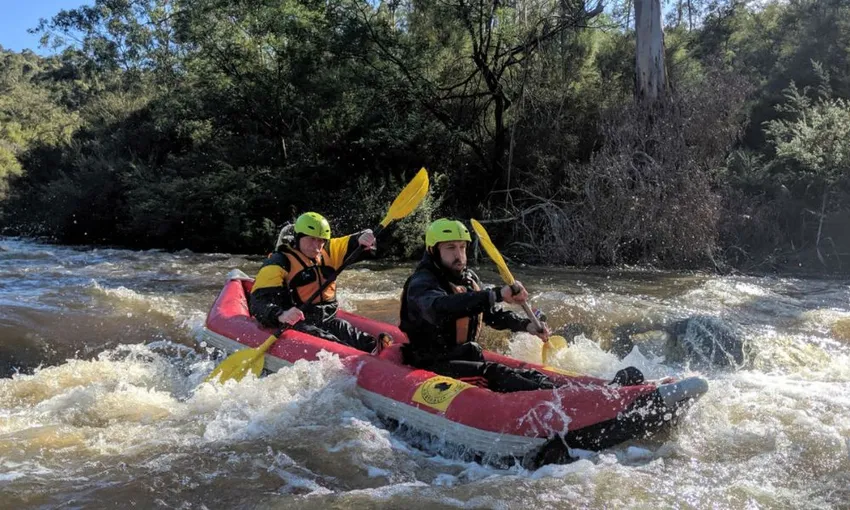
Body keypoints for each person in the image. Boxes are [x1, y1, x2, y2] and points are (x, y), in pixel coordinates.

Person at [398, 218, 561, 393]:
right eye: (451, 247)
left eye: (462, 247)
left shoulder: (468, 278)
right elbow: (439, 308)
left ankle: (560, 395)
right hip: (432, 363)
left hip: (463, 356)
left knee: (534, 377)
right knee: (497, 374)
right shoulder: (421, 283)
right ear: (433, 250)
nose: (459, 255)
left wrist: (525, 325)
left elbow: (491, 315)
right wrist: (496, 294)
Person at [249, 212, 391, 354]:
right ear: (298, 237)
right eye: (311, 239)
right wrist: (280, 314)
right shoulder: (278, 262)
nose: (317, 246)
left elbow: (355, 240)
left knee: (348, 330)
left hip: (327, 319)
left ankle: (378, 351)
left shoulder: (330, 250)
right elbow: (258, 302)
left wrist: (365, 237)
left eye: (321, 240)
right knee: (327, 340)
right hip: (298, 323)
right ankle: (354, 358)